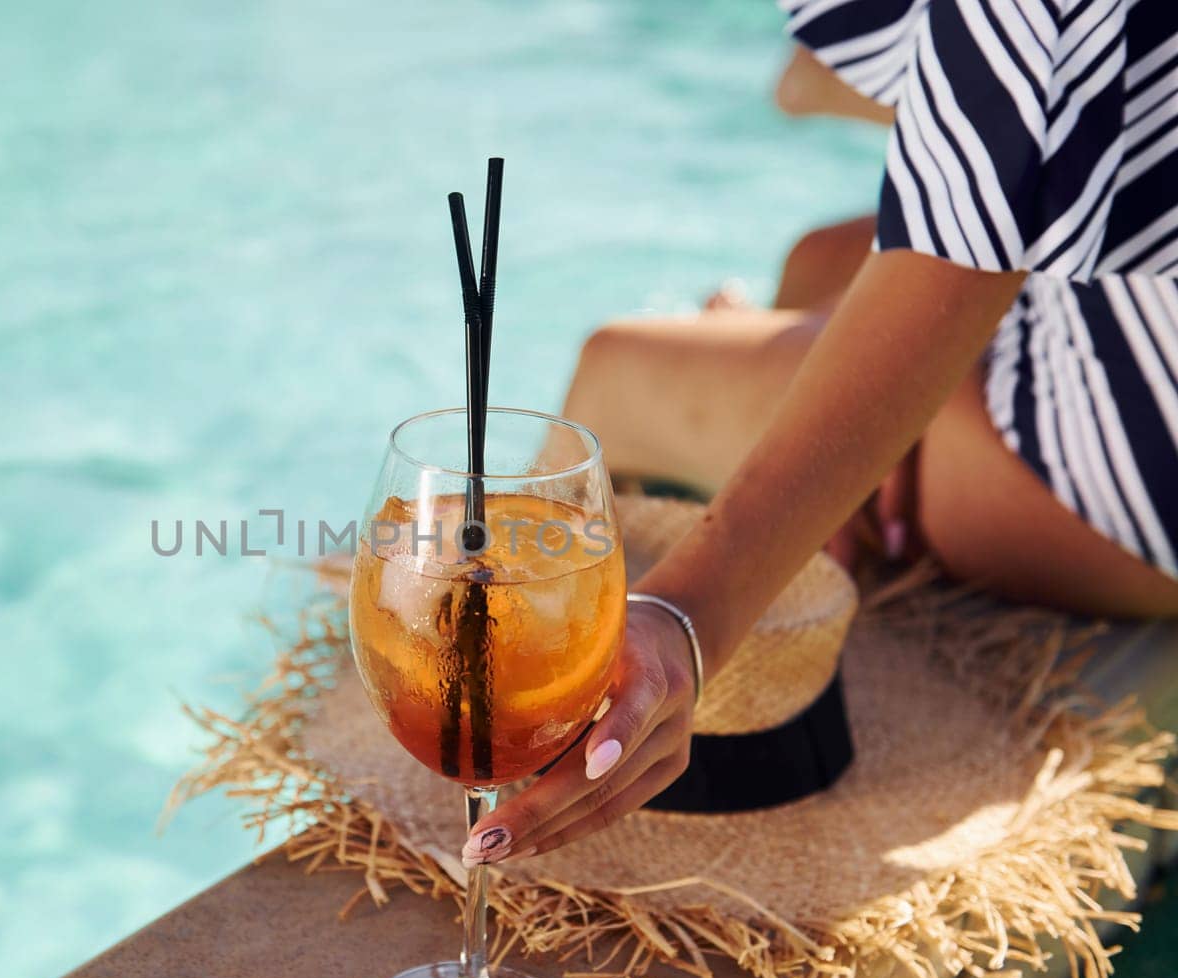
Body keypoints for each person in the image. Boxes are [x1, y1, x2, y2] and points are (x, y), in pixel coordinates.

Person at [462, 0, 1178, 868]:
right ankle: (808, 437)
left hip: (1136, 470)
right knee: (818, 262)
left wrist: (687, 616)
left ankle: (484, 656)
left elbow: (936, 249)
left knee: (614, 368)